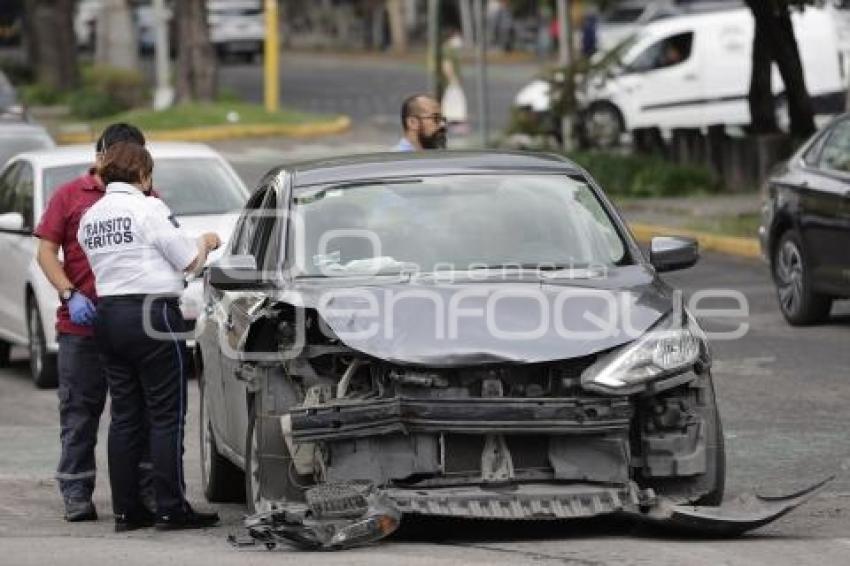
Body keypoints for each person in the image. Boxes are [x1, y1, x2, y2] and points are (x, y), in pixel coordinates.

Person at [77, 142, 220, 532]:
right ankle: (171, 508)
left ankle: (127, 511)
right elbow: (188, 260)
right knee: (166, 415)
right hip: (153, 315)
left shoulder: (90, 217)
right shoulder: (148, 207)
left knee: (124, 417)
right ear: (143, 175)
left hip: (108, 315)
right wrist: (206, 242)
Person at [34, 123, 154, 522]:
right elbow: (47, 252)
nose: (123, 164)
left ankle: (143, 492)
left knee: (136, 411)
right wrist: (70, 294)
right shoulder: (69, 196)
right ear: (99, 156)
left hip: (132, 323)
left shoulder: (147, 195)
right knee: (80, 411)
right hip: (81, 327)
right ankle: (76, 491)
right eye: (116, 156)